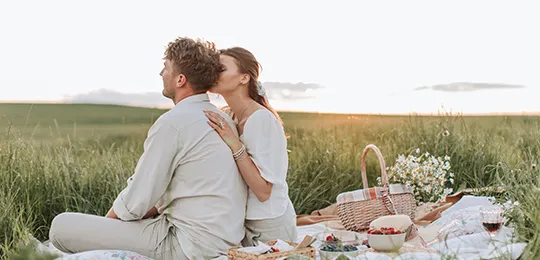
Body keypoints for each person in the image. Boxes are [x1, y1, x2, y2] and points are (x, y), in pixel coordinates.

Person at [48, 37, 248, 260]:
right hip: (225, 240)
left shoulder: (173, 123)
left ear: (180, 79)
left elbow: (137, 200)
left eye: (166, 68)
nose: (161, 74)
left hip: (187, 245)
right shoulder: (223, 119)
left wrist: (105, 227)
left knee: (61, 226)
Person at [204, 47, 297, 246]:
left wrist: (234, 143)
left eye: (221, 68)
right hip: (241, 222)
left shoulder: (261, 119)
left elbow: (263, 191)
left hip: (270, 224)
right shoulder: (228, 115)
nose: (214, 72)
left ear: (243, 78)